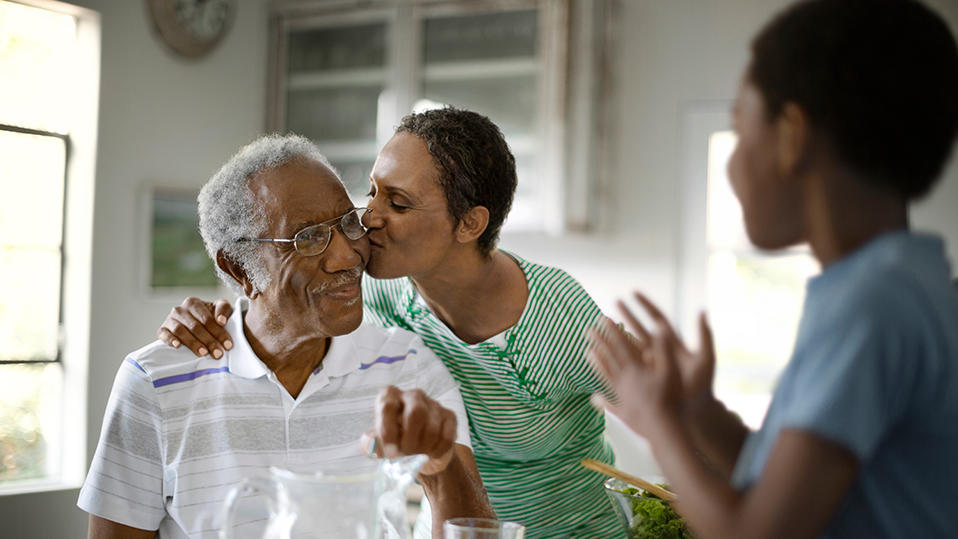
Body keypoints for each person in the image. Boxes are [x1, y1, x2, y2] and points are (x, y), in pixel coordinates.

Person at [154, 109, 621, 537]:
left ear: (469, 224)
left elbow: (660, 404)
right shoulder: (379, 293)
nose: (369, 218)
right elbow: (281, 294)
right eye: (372, 192)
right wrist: (213, 311)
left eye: (398, 203)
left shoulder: (557, 322)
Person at [589, 1, 958, 537]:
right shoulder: (910, 282)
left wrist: (658, 424)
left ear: (793, 135)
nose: (734, 165)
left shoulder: (870, 305)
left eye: (740, 131)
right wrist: (697, 411)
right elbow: (790, 493)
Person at [78, 134, 493, 538]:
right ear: (240, 268)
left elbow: (478, 531)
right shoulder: (154, 384)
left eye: (348, 223)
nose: (346, 256)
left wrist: (441, 468)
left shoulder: (408, 366)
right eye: (308, 237)